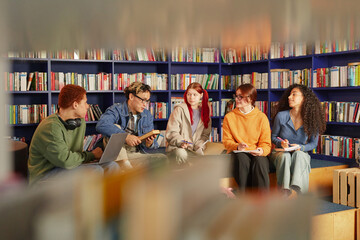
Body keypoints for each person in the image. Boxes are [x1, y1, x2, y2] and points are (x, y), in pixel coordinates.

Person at [28, 84, 120, 185]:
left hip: (67, 169)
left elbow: (75, 155)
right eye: (85, 102)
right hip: (44, 176)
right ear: (75, 105)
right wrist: (91, 155)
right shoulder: (51, 127)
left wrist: (92, 159)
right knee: (95, 171)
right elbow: (65, 161)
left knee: (112, 165)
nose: (88, 106)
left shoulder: (80, 122)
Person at [270, 84, 326, 197]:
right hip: (281, 152)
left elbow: (313, 144)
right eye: (290, 94)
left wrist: (301, 147)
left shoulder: (311, 118)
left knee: (299, 155)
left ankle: (298, 189)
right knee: (285, 156)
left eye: (294, 94)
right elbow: (273, 136)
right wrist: (281, 143)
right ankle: (284, 191)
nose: (289, 97)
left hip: (300, 153)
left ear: (304, 98)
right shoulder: (281, 116)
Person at [96, 82, 162, 167]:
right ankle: (126, 166)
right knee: (115, 128)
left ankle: (128, 167)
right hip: (117, 155)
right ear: (131, 97)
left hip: (135, 154)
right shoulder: (116, 109)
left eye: (147, 101)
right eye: (143, 100)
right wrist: (126, 137)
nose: (145, 104)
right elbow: (101, 125)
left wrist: (149, 143)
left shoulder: (147, 114)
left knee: (161, 158)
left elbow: (153, 146)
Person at [222, 84, 271, 191]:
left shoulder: (261, 117)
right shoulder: (229, 117)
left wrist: (261, 150)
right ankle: (245, 198)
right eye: (236, 96)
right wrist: (237, 146)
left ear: (250, 98)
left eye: (241, 96)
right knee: (242, 159)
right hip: (238, 153)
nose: (237, 99)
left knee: (260, 161)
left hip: (256, 152)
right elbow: (226, 141)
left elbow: (266, 143)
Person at [165, 82, 211, 165]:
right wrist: (181, 142)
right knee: (181, 153)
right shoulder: (179, 110)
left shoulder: (205, 112)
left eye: (194, 95)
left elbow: (205, 135)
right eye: (189, 94)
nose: (191, 97)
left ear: (201, 95)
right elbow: (172, 132)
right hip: (178, 148)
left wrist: (199, 145)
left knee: (208, 161)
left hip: (194, 150)